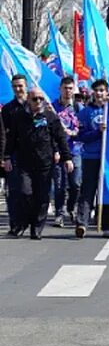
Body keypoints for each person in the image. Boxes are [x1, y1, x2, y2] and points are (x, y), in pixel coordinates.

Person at [3, 88, 73, 239]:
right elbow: (11, 139)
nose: (38, 102)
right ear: (28, 99)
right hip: (24, 163)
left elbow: (61, 139)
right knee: (24, 192)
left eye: (41, 99)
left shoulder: (50, 117)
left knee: (42, 197)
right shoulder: (19, 116)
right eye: (35, 99)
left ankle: (37, 227)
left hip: (45, 164)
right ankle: (24, 221)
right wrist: (7, 157)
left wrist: (67, 158)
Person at [75, 79, 109, 238]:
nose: (99, 93)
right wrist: (98, 132)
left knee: (106, 191)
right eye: (96, 90)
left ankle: (107, 225)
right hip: (91, 156)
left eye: (102, 90)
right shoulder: (85, 112)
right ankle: (82, 223)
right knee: (87, 191)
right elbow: (81, 135)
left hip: (108, 158)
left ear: (107, 92)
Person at [51, 76, 82, 227]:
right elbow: (49, 131)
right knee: (59, 185)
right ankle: (59, 213)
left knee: (75, 183)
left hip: (75, 151)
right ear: (60, 89)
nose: (68, 91)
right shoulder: (52, 107)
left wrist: (75, 133)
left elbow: (83, 128)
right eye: (65, 88)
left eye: (70, 88)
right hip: (58, 152)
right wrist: (55, 150)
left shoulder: (78, 108)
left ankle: (71, 207)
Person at [1, 74, 28, 234]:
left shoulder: (35, 105)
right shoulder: (8, 109)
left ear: (26, 86)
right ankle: (15, 224)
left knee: (29, 191)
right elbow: (3, 134)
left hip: (34, 156)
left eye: (21, 86)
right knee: (14, 191)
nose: (18, 89)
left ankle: (29, 221)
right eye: (15, 86)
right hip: (15, 155)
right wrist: (5, 157)